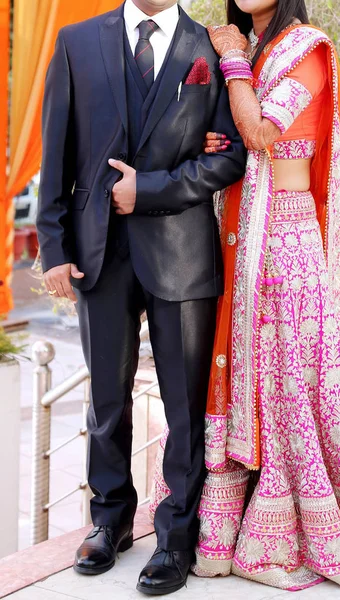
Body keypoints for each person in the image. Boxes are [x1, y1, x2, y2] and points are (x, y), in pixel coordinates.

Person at [150, 0, 340, 592]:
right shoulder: (253, 48)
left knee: (291, 379)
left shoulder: (307, 48)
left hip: (287, 235)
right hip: (241, 235)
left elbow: (265, 133)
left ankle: (292, 533)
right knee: (248, 374)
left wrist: (234, 64)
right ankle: (229, 526)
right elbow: (237, 137)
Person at [36, 0, 246, 595]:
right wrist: (53, 247)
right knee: (107, 397)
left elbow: (230, 154)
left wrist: (148, 189)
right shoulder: (77, 42)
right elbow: (58, 149)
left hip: (182, 251)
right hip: (97, 251)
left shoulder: (210, 49)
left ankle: (176, 536)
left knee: (184, 406)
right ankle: (110, 522)